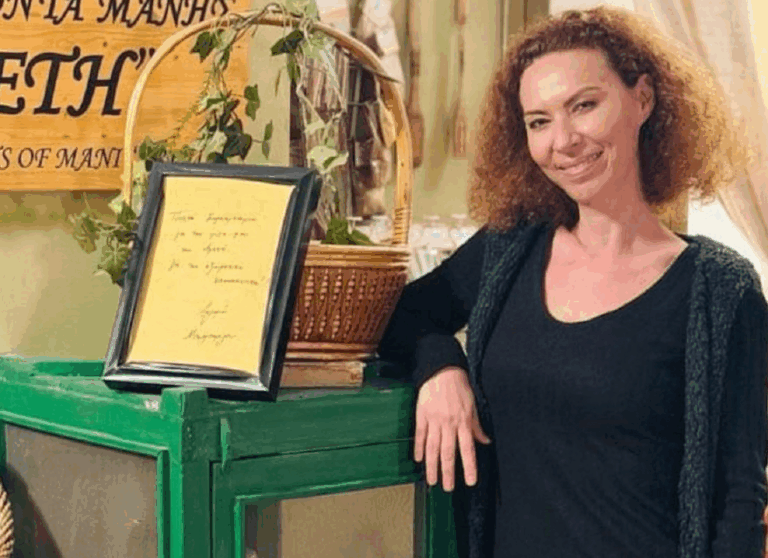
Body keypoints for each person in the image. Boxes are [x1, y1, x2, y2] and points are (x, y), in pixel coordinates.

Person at [378, 5, 768, 558]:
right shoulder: (508, 248)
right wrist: (441, 367)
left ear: (643, 99)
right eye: (538, 121)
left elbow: (739, 501)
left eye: (584, 106)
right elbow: (403, 317)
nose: (562, 140)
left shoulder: (721, 290)